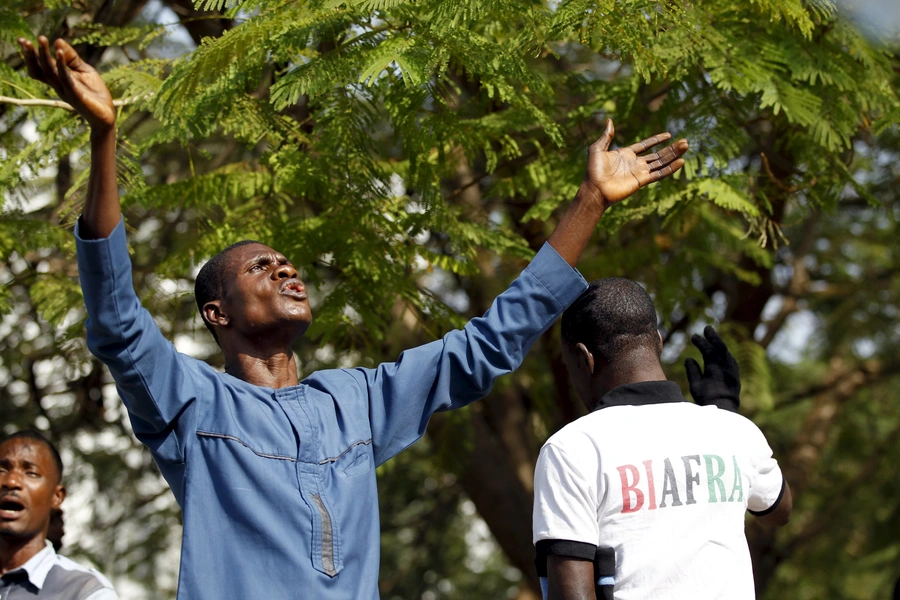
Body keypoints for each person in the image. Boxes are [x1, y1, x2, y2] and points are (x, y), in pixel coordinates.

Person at [17, 34, 688, 599]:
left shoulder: (357, 400)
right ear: (217, 314)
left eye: (288, 263)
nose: (286, 270)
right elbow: (116, 320)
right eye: (260, 267)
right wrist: (105, 136)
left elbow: (489, 342)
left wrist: (590, 201)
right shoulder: (192, 402)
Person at [532, 279, 792, 600]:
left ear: (585, 359)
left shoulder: (572, 448)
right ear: (658, 342)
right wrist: (724, 410)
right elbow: (778, 510)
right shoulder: (733, 430)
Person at [0, 430, 118, 600]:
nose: (11, 481)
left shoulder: (85, 591)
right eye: (1, 470)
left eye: (31, 473)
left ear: (57, 497)